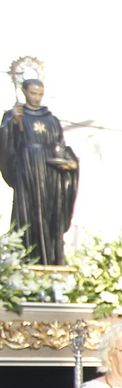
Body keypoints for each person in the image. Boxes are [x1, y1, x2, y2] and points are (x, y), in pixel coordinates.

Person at [1, 77, 78, 265]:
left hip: (50, 173)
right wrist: (13, 124)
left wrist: (70, 164)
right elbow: (5, 145)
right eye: (33, 93)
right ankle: (25, 259)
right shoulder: (14, 115)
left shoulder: (52, 120)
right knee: (27, 213)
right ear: (25, 92)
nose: (36, 98)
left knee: (50, 212)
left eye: (40, 94)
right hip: (27, 171)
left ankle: (51, 259)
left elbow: (61, 147)